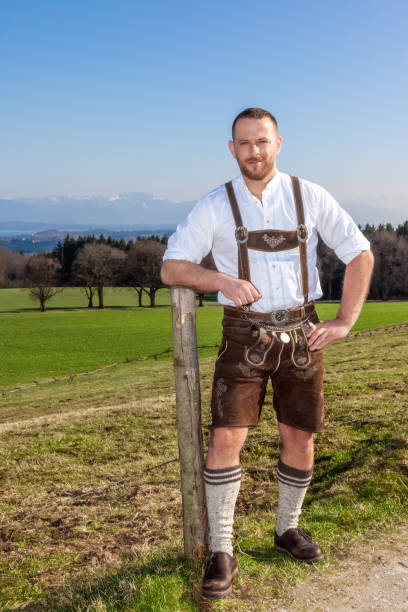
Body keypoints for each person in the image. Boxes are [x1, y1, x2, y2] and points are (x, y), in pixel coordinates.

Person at [161, 107, 374, 599]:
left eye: (262, 141)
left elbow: (359, 253)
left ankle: (287, 529)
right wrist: (220, 281)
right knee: (224, 440)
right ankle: (222, 549)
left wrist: (344, 322)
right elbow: (172, 267)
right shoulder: (216, 205)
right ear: (231, 149)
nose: (253, 151)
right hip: (244, 337)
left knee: (299, 436)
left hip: (303, 335)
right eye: (243, 143)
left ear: (278, 143)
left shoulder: (309, 196)